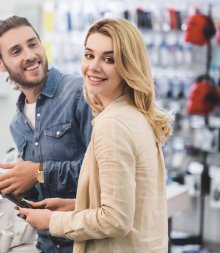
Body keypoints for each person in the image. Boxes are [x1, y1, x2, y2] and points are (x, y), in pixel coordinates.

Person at [19, 18, 174, 253]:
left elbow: (115, 219)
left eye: (109, 59)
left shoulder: (113, 125)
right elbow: (130, 206)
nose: (94, 66)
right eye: (89, 55)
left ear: (128, 65)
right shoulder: (136, 115)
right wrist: (76, 206)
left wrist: (52, 221)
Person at [0, 15, 93, 252]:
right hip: (47, 245)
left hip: (85, 243)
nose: (29, 55)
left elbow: (100, 171)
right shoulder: (17, 123)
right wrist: (18, 186)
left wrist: (37, 173)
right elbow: (42, 192)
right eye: (16, 51)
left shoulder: (79, 94)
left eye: (32, 44)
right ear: (0, 64)